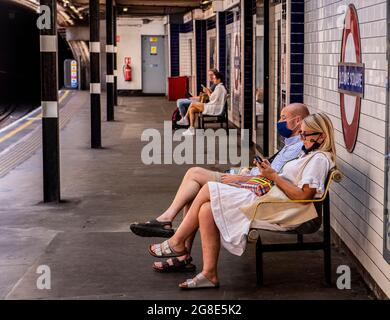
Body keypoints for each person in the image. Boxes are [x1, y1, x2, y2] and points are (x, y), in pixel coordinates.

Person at [148, 113, 337, 289]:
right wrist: (269, 173)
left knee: (207, 188)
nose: (302, 139)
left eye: (306, 135)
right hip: (273, 199)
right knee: (206, 209)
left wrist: (273, 176)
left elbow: (304, 197)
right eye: (301, 134)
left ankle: (177, 241)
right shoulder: (309, 154)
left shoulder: (319, 159)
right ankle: (209, 274)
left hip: (284, 209)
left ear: (321, 136)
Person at [130, 103, 310, 272]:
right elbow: (267, 172)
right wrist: (245, 171)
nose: (279, 121)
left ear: (297, 121)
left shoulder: (298, 148)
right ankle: (179, 248)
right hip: (249, 180)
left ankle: (173, 233)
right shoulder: (289, 146)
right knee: (192, 187)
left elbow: (270, 178)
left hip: (251, 188)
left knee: (195, 175)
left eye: (283, 117)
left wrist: (239, 178)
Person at [181, 72, 228, 136]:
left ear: (219, 80)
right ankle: (191, 129)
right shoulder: (219, 87)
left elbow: (211, 98)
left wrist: (208, 92)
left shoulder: (219, 88)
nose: (213, 80)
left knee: (192, 104)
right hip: (214, 106)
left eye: (214, 79)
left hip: (214, 108)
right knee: (192, 109)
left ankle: (185, 119)